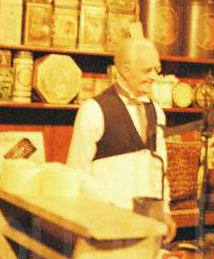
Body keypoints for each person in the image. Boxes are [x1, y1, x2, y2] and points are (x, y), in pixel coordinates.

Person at [66, 36, 176, 243]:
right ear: (125, 70)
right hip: (105, 226)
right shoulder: (93, 110)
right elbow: (76, 173)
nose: (154, 76)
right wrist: (108, 209)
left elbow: (160, 168)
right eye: (147, 70)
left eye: (157, 69)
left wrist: (165, 211)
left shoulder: (156, 112)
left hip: (146, 225)